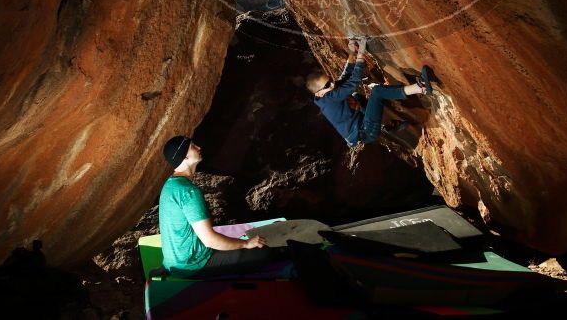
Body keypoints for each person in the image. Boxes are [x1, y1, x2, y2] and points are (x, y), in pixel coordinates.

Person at [158, 136, 285, 278]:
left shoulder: (170, 185)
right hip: (193, 265)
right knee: (264, 252)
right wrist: (246, 244)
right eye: (193, 146)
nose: (199, 148)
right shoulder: (189, 192)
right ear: (185, 157)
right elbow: (209, 240)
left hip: (173, 262)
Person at [306, 37, 432, 147]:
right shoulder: (328, 99)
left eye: (330, 80)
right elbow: (353, 83)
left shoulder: (326, 94)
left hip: (362, 123)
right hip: (365, 132)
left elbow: (345, 77)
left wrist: (352, 52)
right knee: (377, 93)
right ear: (318, 93)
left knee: (357, 97)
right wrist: (361, 53)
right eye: (328, 85)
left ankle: (386, 125)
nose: (332, 85)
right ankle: (421, 87)